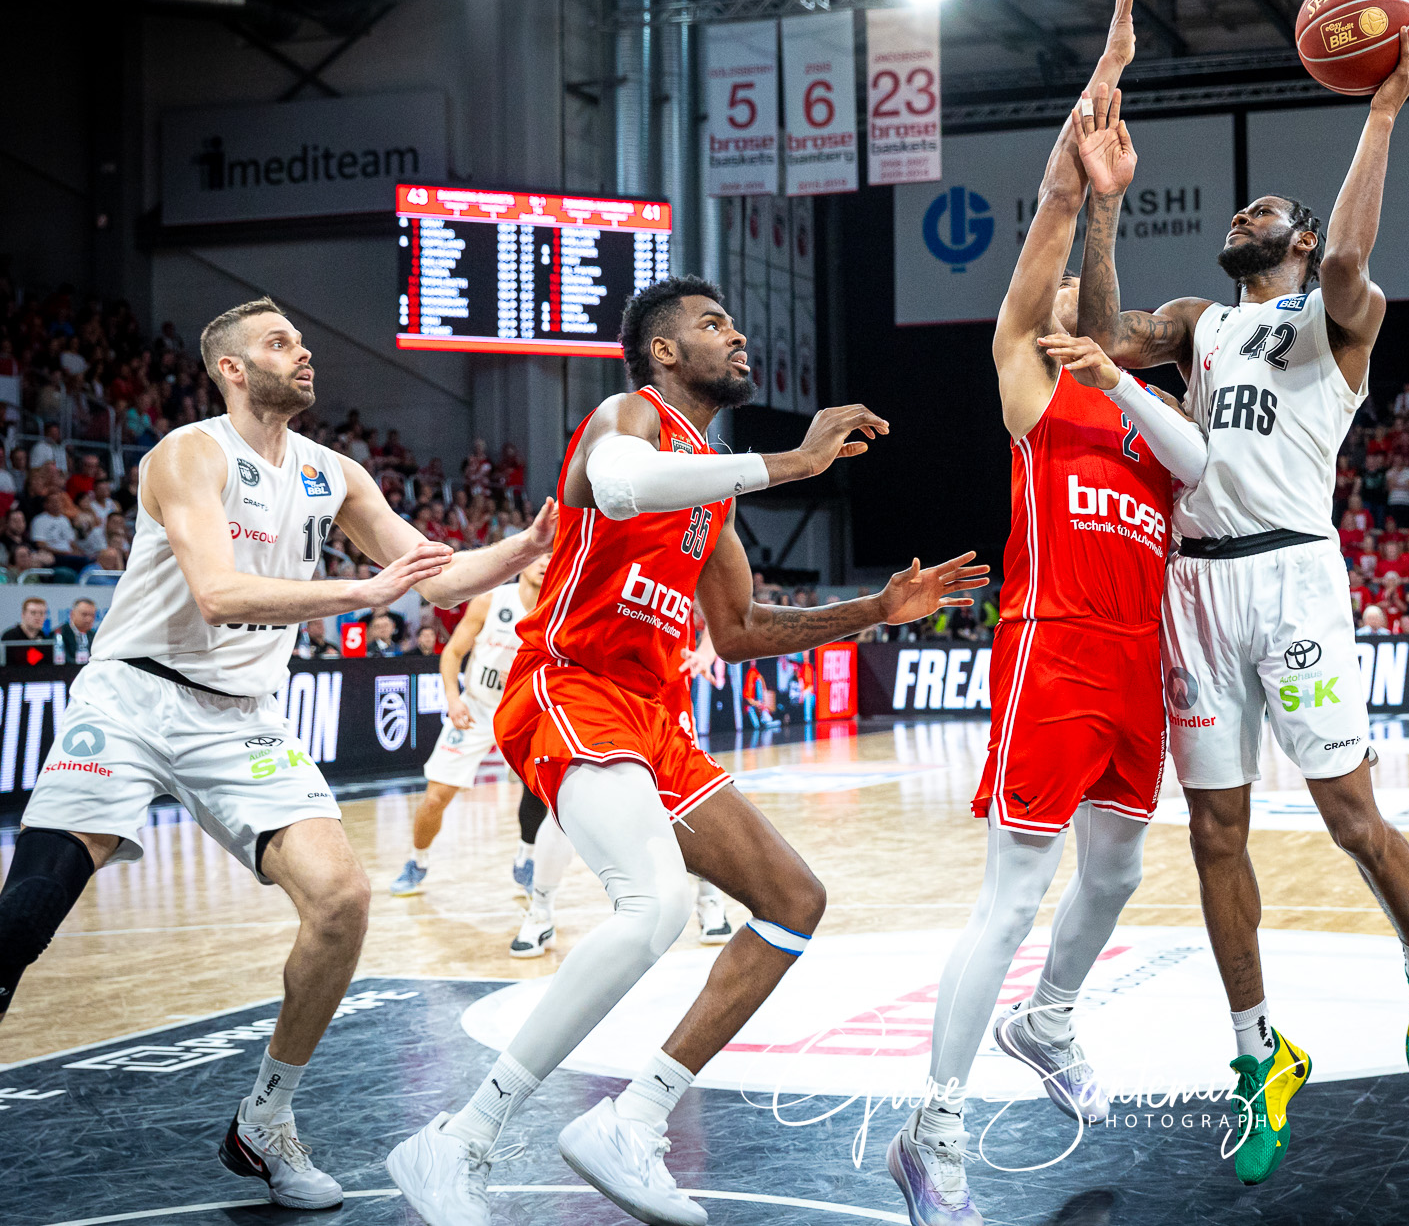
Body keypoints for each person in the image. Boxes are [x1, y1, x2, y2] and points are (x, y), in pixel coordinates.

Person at [385, 274, 987, 1226]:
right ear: (667, 351)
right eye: (715, 324)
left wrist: (875, 609)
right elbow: (623, 485)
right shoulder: (628, 416)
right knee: (656, 901)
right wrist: (790, 463)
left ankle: (637, 1118)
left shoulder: (710, 489)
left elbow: (741, 627)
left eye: (734, 321)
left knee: (794, 900)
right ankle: (458, 1139)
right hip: (571, 682)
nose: (738, 334)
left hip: (653, 716)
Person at [0, 296, 555, 1209]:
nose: (302, 353)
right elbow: (218, 594)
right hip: (135, 695)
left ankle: (264, 1122)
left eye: (301, 339)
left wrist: (517, 548)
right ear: (229, 367)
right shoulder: (189, 453)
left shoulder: (330, 473)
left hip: (244, 716)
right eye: (278, 342)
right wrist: (362, 592)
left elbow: (434, 571)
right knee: (28, 912)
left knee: (342, 899)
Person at [1074, 16, 1409, 1188]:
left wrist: (1382, 110)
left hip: (1293, 576)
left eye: (1265, 214)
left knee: (1348, 817)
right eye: (1238, 214)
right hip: (1194, 585)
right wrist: (1103, 207)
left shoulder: (1341, 318)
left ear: (1294, 241)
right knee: (1211, 833)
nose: (1243, 218)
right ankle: (1257, 1058)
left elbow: (1347, 263)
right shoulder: (1198, 324)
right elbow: (1099, 336)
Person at [889, 0, 1200, 1226]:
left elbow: (1184, 437)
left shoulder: (1144, 411)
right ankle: (934, 1129)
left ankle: (1049, 1018)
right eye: (1068, 292)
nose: (1075, 299)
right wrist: (1101, 83)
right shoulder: (1033, 388)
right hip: (1051, 647)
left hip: (1138, 662)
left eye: (1095, 304)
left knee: (1117, 877)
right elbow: (1053, 223)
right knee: (1011, 893)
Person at [391, 558, 548, 904]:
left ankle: (526, 857)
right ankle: (417, 861)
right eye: (540, 555)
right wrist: (452, 697)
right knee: (435, 798)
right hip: (476, 708)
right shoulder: (491, 601)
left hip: (524, 713)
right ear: (524, 562)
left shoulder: (558, 607)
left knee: (540, 789)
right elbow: (453, 652)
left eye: (553, 557)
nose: (545, 562)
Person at [2, 596, 51, 664]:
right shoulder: (10, 638)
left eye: (42, 613)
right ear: (23, 614)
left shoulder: (46, 639)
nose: (38, 617)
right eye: (33, 613)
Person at [53, 596, 95, 664]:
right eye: (84, 614)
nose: (89, 619)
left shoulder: (94, 636)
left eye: (92, 615)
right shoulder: (59, 634)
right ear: (72, 614)